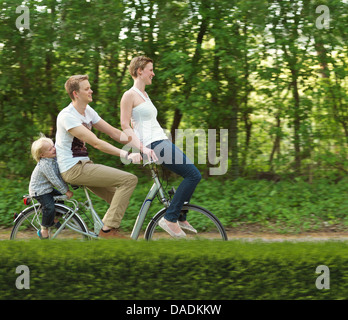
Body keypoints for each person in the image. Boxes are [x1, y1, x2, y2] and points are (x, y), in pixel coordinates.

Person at [120, 56, 202, 238]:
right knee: (193, 175)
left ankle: (179, 215)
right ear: (139, 71)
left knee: (191, 175)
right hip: (153, 144)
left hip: (160, 141)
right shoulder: (129, 95)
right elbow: (125, 126)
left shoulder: (145, 96)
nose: (153, 73)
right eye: (150, 69)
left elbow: (139, 124)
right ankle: (171, 218)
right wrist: (142, 148)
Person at [55, 74, 142, 239]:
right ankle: (107, 232)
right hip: (73, 169)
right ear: (76, 94)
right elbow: (97, 143)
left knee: (119, 198)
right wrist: (126, 154)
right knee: (129, 180)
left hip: (84, 165)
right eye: (87, 89)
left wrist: (139, 144)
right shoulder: (67, 116)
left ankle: (103, 234)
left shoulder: (87, 111)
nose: (91, 91)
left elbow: (114, 133)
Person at [29, 134, 74, 239]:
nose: (54, 149)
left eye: (53, 146)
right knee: (49, 207)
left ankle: (54, 219)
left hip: (47, 189)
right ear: (42, 155)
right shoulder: (45, 165)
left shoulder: (53, 159)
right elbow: (54, 180)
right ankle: (43, 229)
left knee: (60, 199)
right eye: (50, 149)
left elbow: (60, 173)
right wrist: (66, 190)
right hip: (39, 191)